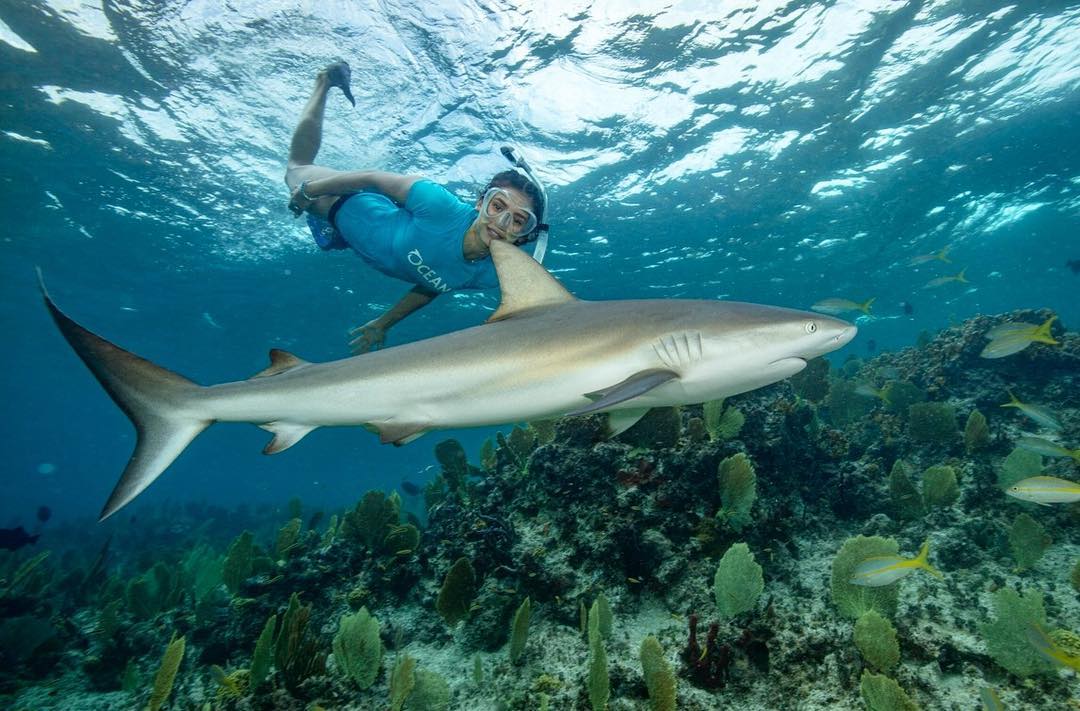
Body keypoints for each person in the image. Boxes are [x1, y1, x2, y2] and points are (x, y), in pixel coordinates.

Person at [284, 62, 549, 353]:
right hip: (344, 205)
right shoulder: (438, 205)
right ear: (480, 202)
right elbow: (373, 178)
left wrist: (383, 324)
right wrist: (309, 190)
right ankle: (325, 80)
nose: (501, 221)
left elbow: (433, 285)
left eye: (518, 220)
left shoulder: (491, 275)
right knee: (295, 170)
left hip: (352, 241)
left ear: (526, 233)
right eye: (497, 206)